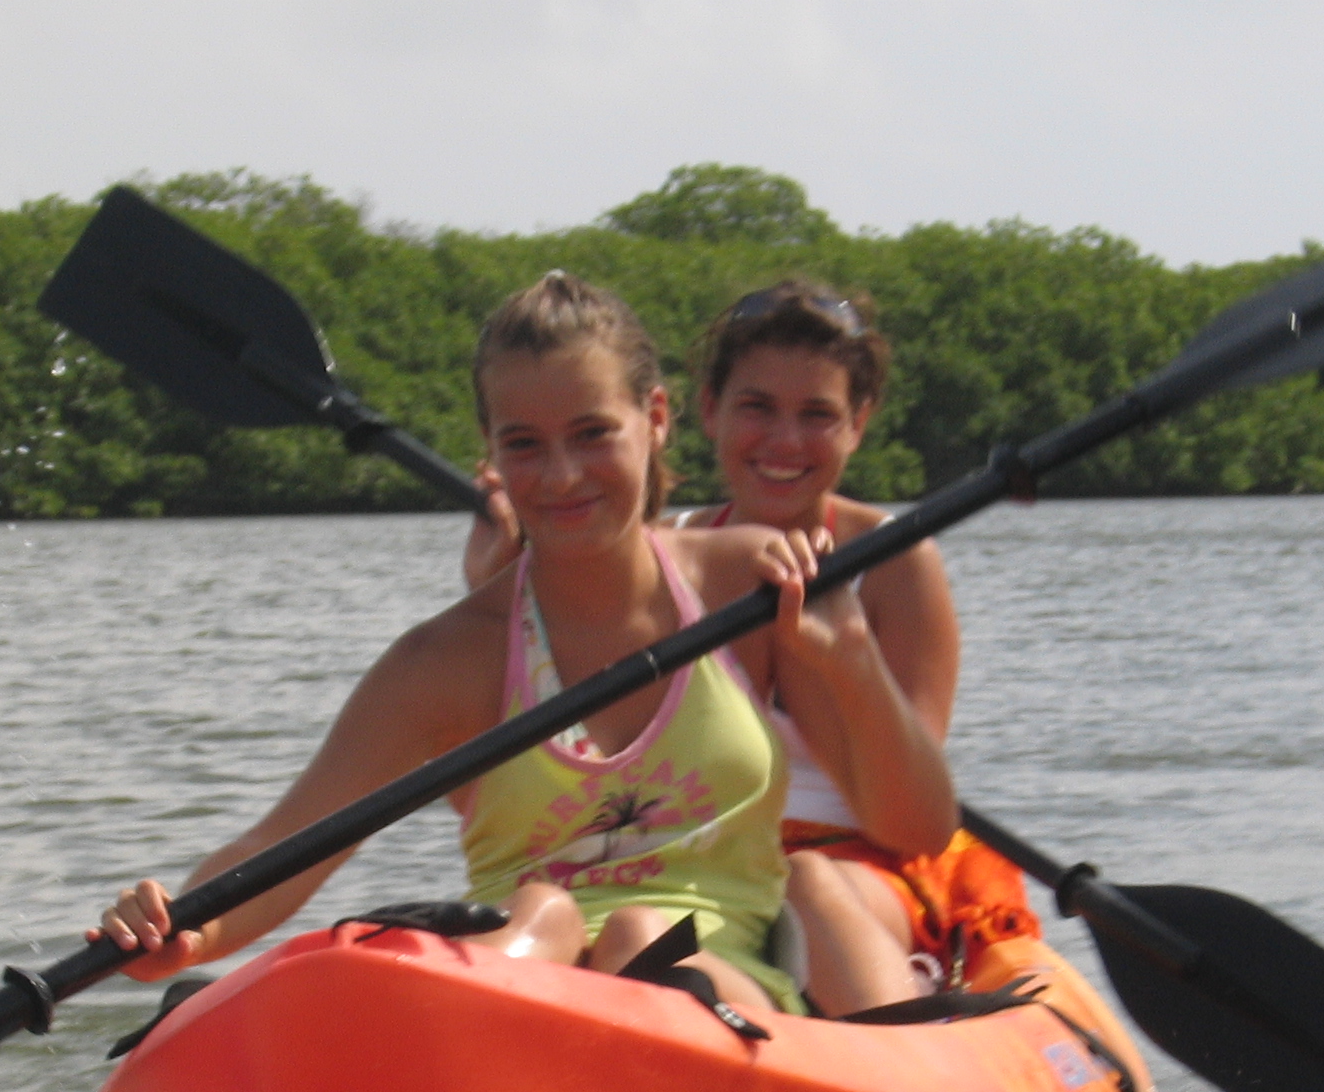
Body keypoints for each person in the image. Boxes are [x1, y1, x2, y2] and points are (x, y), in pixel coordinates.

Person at [95, 272, 955, 1020]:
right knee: (544, 912)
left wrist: (851, 666)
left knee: (635, 932)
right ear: (493, 455)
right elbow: (278, 848)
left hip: (733, 979)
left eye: (592, 434)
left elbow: (913, 826)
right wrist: (184, 928)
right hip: (525, 991)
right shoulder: (444, 663)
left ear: (655, 419)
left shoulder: (742, 583)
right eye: (524, 445)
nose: (560, 477)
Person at [464, 279, 1037, 980]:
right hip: (681, 867)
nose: (784, 441)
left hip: (854, 861)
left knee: (807, 885)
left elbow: (904, 817)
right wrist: (497, 587)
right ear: (706, 411)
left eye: (818, 415)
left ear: (859, 422)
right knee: (608, 919)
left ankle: (887, 1050)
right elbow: (536, 781)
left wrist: (844, 660)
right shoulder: (665, 556)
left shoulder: (897, 560)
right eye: (757, 408)